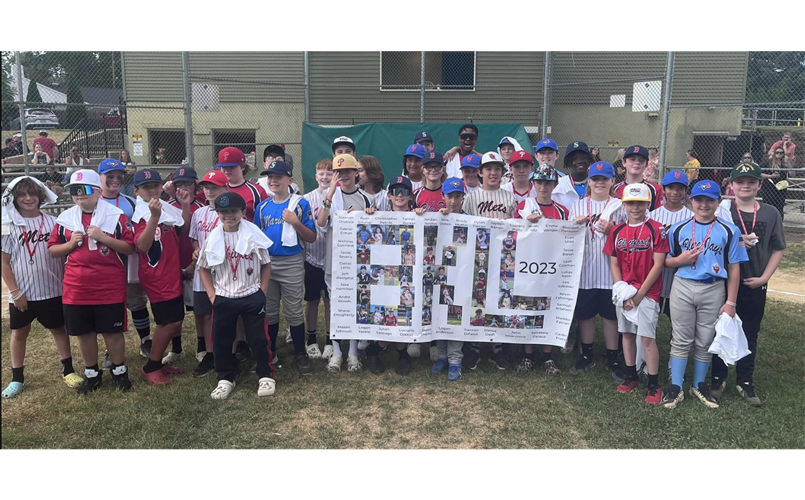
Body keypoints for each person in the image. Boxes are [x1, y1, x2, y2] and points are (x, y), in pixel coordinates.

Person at [47, 169, 136, 395]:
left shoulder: (115, 215)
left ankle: (119, 371)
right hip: (77, 288)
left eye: (84, 190)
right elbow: (53, 250)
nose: (79, 196)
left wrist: (104, 238)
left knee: (112, 332)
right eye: (74, 191)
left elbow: (130, 247)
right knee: (84, 332)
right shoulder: (65, 219)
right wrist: (70, 245)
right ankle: (92, 373)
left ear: (97, 191)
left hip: (109, 286)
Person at [661, 180, 748, 409]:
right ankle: (676, 387)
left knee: (705, 339)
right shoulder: (678, 228)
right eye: (699, 199)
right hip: (682, 284)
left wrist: (731, 301)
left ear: (719, 202)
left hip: (713, 287)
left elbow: (734, 267)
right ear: (691, 200)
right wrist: (680, 260)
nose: (704, 204)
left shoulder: (729, 230)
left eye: (710, 200)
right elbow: (664, 261)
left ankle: (699, 384)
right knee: (680, 338)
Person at [709, 162, 786, 406]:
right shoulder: (721, 210)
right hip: (723, 282)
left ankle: (744, 381)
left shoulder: (770, 213)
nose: (745, 186)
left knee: (749, 332)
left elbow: (778, 248)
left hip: (754, 283)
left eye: (751, 182)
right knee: (720, 330)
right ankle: (718, 379)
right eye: (740, 182)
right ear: (731, 185)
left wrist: (765, 278)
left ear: (759, 184)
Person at [1, 177, 81, 398]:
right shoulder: (8, 225)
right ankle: (17, 378)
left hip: (53, 289)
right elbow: (4, 263)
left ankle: (68, 370)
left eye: (32, 194)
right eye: (22, 195)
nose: (28, 199)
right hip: (23, 293)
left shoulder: (53, 221)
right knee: (19, 333)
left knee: (59, 329)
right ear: (14, 199)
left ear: (41, 196)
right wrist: (16, 293)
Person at [197, 192, 275, 400]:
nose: (228, 216)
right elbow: (203, 268)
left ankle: (265, 374)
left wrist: (262, 291)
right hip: (224, 296)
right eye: (223, 212)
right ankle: (225, 377)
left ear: (242, 212)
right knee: (221, 340)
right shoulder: (213, 237)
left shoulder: (253, 233)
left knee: (258, 337)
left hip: (251, 294)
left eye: (233, 211)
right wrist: (212, 295)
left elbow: (266, 265)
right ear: (217, 214)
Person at [605, 183, 669, 404]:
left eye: (640, 203)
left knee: (647, 338)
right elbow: (613, 264)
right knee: (627, 334)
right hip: (625, 293)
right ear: (624, 204)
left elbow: (658, 264)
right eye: (631, 202)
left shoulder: (656, 228)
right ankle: (631, 375)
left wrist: (639, 295)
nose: (635, 207)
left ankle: (653, 383)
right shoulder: (617, 230)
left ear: (647, 204)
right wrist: (622, 291)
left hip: (647, 293)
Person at [254, 160, 317, 374]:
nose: (274, 181)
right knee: (269, 311)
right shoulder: (262, 206)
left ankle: (300, 352)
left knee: (293, 311)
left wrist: (295, 222)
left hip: (291, 262)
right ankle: (271, 353)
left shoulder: (299, 204)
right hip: (268, 263)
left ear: (289, 180)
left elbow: (311, 237)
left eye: (278, 177)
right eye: (270, 177)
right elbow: (255, 237)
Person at [568, 162, 628, 382]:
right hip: (585, 270)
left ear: (613, 181)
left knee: (610, 316)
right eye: (596, 179)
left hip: (611, 273)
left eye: (605, 179)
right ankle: (587, 354)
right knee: (586, 315)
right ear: (589, 182)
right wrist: (574, 225)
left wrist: (614, 229)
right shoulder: (578, 206)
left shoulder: (620, 205)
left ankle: (613, 358)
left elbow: (630, 236)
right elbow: (566, 236)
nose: (600, 182)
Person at [316, 154, 375, 373]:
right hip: (335, 259)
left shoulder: (365, 198)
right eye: (339, 172)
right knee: (336, 305)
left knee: (355, 305)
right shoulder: (329, 195)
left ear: (356, 173)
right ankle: (337, 352)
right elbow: (321, 222)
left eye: (348, 171)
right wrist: (330, 192)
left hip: (358, 262)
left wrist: (369, 215)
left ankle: (352, 352)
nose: (344, 176)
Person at [362, 175, 424, 375]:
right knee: (387, 310)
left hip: (407, 272)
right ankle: (376, 349)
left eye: (404, 192)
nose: (399, 195)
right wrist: (368, 215)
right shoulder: (380, 216)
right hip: (386, 273)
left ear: (410, 196)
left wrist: (422, 216)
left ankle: (401, 353)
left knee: (405, 312)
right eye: (395, 192)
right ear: (388, 196)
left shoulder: (418, 216)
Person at [130, 169, 187, 385]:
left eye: (155, 185)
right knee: (168, 323)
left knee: (176, 319)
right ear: (137, 191)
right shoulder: (143, 214)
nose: (152, 190)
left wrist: (185, 205)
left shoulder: (165, 208)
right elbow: (141, 246)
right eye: (146, 187)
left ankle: (158, 362)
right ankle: (151, 366)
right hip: (158, 276)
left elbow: (183, 226)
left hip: (171, 273)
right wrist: (154, 217)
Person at [462, 152, 518, 371]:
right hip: (478, 256)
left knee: (500, 298)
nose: (493, 173)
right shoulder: (471, 197)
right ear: (480, 172)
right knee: (477, 299)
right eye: (488, 169)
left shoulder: (509, 197)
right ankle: (474, 346)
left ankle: (497, 347)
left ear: (503, 173)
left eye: (497, 169)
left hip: (503, 256)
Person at [97, 159, 153, 365]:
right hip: (104, 262)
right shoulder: (94, 202)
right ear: (100, 178)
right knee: (109, 305)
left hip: (129, 260)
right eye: (109, 176)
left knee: (136, 301)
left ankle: (146, 340)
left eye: (119, 176)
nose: (115, 180)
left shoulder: (130, 202)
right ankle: (109, 349)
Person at [514, 165, 569, 375]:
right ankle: (527, 355)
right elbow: (513, 234)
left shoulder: (562, 211)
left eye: (547, 182)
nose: (543, 186)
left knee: (549, 309)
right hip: (529, 266)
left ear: (555, 185)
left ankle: (547, 356)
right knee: (528, 308)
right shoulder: (525, 206)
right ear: (533, 184)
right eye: (539, 182)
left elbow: (568, 239)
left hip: (551, 268)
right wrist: (525, 223)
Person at [188, 171, 227, 377]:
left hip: (223, 271)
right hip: (201, 272)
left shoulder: (229, 212)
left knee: (221, 313)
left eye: (214, 187)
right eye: (206, 187)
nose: (210, 191)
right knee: (203, 314)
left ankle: (226, 350)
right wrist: (195, 249)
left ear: (225, 188)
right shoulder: (198, 213)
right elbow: (194, 238)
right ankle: (210, 354)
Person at [164, 166, 205, 363]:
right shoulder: (167, 204)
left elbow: (193, 234)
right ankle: (177, 348)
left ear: (195, 185)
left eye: (187, 183)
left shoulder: (202, 205)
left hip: (196, 263)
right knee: (175, 311)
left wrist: (192, 265)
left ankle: (202, 345)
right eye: (179, 183)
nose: (183, 187)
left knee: (200, 309)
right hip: (174, 264)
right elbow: (179, 232)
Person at [649, 170, 693, 319]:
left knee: (677, 316)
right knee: (651, 312)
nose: (675, 192)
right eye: (671, 188)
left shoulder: (692, 217)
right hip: (655, 271)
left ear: (686, 191)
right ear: (664, 190)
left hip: (680, 272)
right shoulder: (652, 216)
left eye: (680, 188)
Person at [303, 159, 334, 360]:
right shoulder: (305, 199)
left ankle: (331, 340)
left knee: (330, 300)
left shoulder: (338, 197)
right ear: (315, 176)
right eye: (321, 174)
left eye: (329, 174)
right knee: (312, 299)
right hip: (312, 256)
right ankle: (311, 339)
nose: (324, 177)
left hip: (332, 256)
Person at [215, 146, 268, 221]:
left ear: (242, 167)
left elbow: (265, 219)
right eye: (224, 167)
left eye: (231, 167)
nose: (227, 170)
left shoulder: (257, 191)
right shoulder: (215, 189)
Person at [614, 145, 665, 211]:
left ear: (646, 165)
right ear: (624, 163)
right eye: (632, 159)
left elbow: (662, 213)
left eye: (641, 160)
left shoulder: (656, 189)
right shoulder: (615, 189)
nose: (637, 162)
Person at [552, 141, 593, 210]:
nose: (580, 161)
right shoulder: (559, 184)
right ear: (568, 162)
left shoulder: (597, 183)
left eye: (583, 157)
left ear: (589, 160)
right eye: (575, 159)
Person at [761, 146, 790, 220]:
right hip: (769, 188)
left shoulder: (784, 165)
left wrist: (788, 163)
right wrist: (770, 176)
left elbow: (792, 174)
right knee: (768, 205)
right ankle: (767, 220)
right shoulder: (768, 163)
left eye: (781, 153)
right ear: (774, 154)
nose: (779, 154)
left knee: (779, 206)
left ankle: (779, 221)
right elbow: (760, 173)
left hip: (781, 189)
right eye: (777, 152)